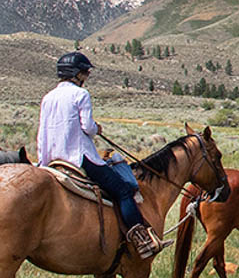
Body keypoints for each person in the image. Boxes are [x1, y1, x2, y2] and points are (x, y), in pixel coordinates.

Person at [37, 52, 165, 259]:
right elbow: (87, 126)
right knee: (123, 190)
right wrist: (97, 128)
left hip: (52, 157)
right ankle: (141, 239)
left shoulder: (48, 97)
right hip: (78, 156)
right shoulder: (80, 95)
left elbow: (42, 131)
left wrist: (42, 161)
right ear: (77, 73)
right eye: (85, 72)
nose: (86, 77)